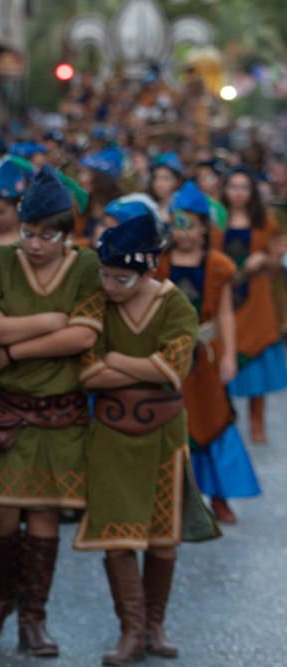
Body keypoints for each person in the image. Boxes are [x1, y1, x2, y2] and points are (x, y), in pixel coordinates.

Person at [76, 203, 218, 664]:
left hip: (164, 434)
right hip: (112, 433)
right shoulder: (97, 300)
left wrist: (115, 361)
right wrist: (138, 368)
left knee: (162, 536)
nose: (110, 285)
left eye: (122, 278)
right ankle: (131, 630)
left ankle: (155, 624)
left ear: (148, 270)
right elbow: (86, 372)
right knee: (117, 535)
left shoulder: (174, 302)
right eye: (105, 275)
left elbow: (173, 368)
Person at [0, 166, 102, 657]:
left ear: (68, 235)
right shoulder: (2, 259)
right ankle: (1, 595)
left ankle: (34, 615)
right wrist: (50, 321)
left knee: (46, 516)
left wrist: (16, 349)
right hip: (7, 410)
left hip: (60, 413)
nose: (35, 244)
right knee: (1, 517)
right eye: (29, 232)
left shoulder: (87, 267)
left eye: (47, 235)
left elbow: (85, 335)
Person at [155, 182, 263, 527]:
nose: (181, 233)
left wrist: (229, 353)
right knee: (171, 421)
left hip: (206, 358)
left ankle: (219, 496)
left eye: (188, 224)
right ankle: (170, 496)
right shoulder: (161, 263)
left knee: (216, 420)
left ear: (204, 227)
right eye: (175, 224)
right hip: (170, 356)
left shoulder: (218, 264)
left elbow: (226, 314)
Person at [219, 167, 287, 445]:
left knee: (258, 361)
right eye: (233, 186)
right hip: (224, 299)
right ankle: (224, 419)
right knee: (222, 356)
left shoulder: (266, 223)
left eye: (244, 187)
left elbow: (276, 266)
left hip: (257, 300)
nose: (238, 192)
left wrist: (261, 259)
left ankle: (257, 424)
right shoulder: (215, 222)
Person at [77, 147, 125, 240]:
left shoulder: (121, 209)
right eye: (81, 172)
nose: (81, 178)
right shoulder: (81, 206)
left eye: (86, 173)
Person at [148, 152, 183, 222]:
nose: (159, 184)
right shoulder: (150, 206)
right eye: (155, 178)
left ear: (178, 181)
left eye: (166, 178)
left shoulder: (184, 208)